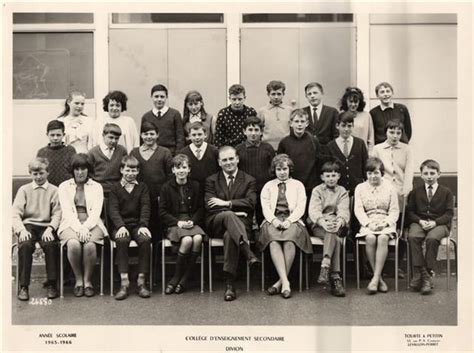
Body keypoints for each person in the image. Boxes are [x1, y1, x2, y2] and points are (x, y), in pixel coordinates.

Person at [204, 146, 260, 301]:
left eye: (231, 159)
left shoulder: (249, 180)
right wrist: (235, 210)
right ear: (219, 162)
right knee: (228, 216)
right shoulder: (211, 180)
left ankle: (229, 284)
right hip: (216, 222)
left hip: (240, 225)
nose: (228, 162)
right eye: (224, 160)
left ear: (237, 159)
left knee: (230, 236)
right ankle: (248, 253)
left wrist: (227, 203)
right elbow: (209, 205)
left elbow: (251, 203)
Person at [258, 154, 312, 299]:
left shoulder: (298, 185)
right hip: (272, 219)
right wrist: (273, 220)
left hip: (293, 220)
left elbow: (301, 207)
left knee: (290, 240)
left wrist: (290, 220)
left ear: (290, 169)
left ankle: (280, 283)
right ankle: (286, 282)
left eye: (285, 169)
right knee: (273, 240)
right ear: (274, 170)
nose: (282, 172)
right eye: (279, 169)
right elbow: (265, 207)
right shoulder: (268, 186)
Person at [58, 154, 108, 297]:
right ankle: (78, 280)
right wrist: (79, 228)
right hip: (70, 222)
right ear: (72, 170)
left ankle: (88, 281)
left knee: (90, 245)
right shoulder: (64, 186)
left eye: (84, 169)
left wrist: (86, 227)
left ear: (89, 170)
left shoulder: (97, 187)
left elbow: (96, 212)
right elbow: (67, 211)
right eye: (77, 169)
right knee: (73, 243)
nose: (80, 172)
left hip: (92, 222)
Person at [12, 158, 61, 301]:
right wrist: (21, 230)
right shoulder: (24, 190)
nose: (38, 177)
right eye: (35, 174)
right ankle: (24, 286)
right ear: (30, 174)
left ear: (48, 173)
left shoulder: (54, 190)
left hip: (47, 226)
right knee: (25, 245)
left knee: (51, 245)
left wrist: (51, 229)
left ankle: (52, 283)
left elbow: (58, 213)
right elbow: (15, 213)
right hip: (29, 226)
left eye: (41, 173)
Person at [160, 154, 205, 294]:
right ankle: (176, 278)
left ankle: (184, 278)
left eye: (184, 167)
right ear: (173, 170)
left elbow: (200, 208)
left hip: (191, 221)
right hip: (175, 223)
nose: (181, 171)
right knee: (187, 240)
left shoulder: (196, 185)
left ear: (189, 169)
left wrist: (194, 221)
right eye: (177, 168)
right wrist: (177, 222)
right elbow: (162, 212)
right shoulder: (166, 187)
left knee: (197, 238)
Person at [108, 155, 152, 300]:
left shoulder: (143, 187)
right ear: (121, 170)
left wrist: (143, 225)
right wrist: (120, 226)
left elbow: (146, 207)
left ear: (138, 171)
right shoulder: (115, 188)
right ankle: (124, 282)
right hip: (121, 226)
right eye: (127, 170)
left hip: (138, 225)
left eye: (134, 170)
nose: (130, 173)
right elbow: (113, 210)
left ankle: (141, 280)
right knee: (121, 241)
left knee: (145, 240)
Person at [407, 159, 454, 295]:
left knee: (432, 239)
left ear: (439, 174)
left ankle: (425, 274)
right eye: (426, 173)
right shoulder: (416, 192)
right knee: (413, 236)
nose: (429, 176)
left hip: (440, 224)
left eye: (432, 173)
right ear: (421, 175)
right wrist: (420, 221)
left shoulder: (446, 192)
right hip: (420, 222)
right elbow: (410, 212)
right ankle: (422, 274)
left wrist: (435, 222)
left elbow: (449, 213)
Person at [354, 157, 399, 294]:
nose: (373, 176)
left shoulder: (390, 188)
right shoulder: (360, 188)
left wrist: (385, 223)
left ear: (382, 173)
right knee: (370, 238)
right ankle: (378, 279)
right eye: (369, 173)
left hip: (386, 221)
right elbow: (359, 209)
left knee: (383, 238)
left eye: (376, 173)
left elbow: (394, 210)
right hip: (368, 222)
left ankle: (374, 279)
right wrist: (369, 224)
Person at [308, 161, 350, 297]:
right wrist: (322, 222)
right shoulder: (317, 190)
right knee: (335, 239)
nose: (331, 178)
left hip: (336, 224)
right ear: (322, 177)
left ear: (338, 176)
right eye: (328, 176)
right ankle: (335, 277)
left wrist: (339, 222)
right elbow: (314, 211)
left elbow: (344, 210)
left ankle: (326, 266)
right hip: (320, 225)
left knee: (333, 232)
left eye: (333, 175)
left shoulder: (342, 191)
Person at [130, 121, 173, 240]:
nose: (149, 137)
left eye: (152, 134)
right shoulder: (134, 152)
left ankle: (157, 258)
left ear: (157, 135)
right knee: (143, 230)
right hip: (140, 199)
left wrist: (164, 195)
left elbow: (170, 176)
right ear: (141, 135)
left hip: (158, 197)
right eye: (145, 134)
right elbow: (130, 174)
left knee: (157, 231)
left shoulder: (165, 152)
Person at [235, 116, 275, 225]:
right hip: (245, 191)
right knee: (246, 219)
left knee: (263, 217)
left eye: (256, 130)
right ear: (244, 131)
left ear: (261, 132)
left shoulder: (268, 148)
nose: (253, 133)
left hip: (264, 189)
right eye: (250, 130)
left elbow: (273, 170)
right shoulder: (239, 149)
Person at [277, 109, 324, 197]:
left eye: (302, 121)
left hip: (311, 185)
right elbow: (280, 165)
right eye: (296, 121)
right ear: (291, 123)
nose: (299, 124)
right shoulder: (284, 142)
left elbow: (319, 163)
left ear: (307, 123)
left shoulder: (313, 141)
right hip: (291, 185)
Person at [326, 111, 368, 196]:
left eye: (349, 126)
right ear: (337, 126)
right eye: (343, 126)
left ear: (353, 126)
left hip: (358, 191)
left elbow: (366, 167)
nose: (346, 129)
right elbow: (328, 169)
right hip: (338, 192)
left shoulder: (360, 143)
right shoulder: (330, 146)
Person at [141, 84, 185, 155]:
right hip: (152, 154)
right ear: (151, 97)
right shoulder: (146, 117)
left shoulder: (175, 114)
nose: (159, 99)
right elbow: (142, 139)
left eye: (162, 97)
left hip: (171, 154)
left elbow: (180, 138)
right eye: (156, 96)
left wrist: (177, 156)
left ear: (166, 97)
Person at [178, 122, 219, 194]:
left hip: (210, 189)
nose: (197, 137)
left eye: (200, 134)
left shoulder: (214, 151)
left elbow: (218, 171)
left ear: (205, 135)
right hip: (190, 190)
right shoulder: (183, 153)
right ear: (189, 136)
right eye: (194, 135)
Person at [88, 123, 128, 195]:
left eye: (116, 138)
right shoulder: (93, 153)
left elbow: (125, 171)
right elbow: (89, 174)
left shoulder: (122, 151)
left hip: (117, 190)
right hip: (98, 190)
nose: (113, 141)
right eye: (111, 137)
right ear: (103, 135)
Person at [37, 119, 76, 186]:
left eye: (58, 135)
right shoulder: (42, 152)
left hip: (66, 187)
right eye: (52, 135)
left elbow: (74, 170)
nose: (55, 138)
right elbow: (38, 172)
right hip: (48, 188)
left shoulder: (70, 150)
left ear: (63, 135)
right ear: (47, 134)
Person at [257, 80, 293, 149]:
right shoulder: (262, 111)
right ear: (268, 94)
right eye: (273, 94)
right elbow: (259, 130)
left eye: (279, 94)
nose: (276, 97)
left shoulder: (289, 110)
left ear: (283, 94)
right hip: (267, 147)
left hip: (286, 146)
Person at [339, 87, 375, 154]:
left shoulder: (366, 116)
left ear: (360, 102)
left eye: (356, 102)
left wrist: (370, 154)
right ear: (346, 101)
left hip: (362, 152)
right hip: (345, 152)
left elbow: (371, 138)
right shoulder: (341, 115)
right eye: (351, 101)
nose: (353, 104)